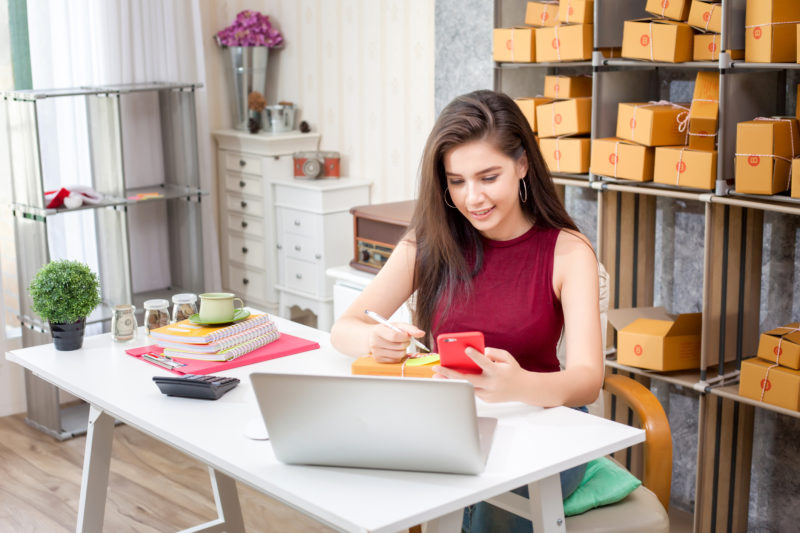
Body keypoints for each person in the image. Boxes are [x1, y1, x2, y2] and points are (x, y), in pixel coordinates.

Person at [330, 89, 603, 531]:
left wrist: (518, 384)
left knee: (475, 501)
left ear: (522, 164)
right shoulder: (430, 241)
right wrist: (373, 339)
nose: (472, 198)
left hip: (541, 431)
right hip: (451, 426)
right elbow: (345, 328)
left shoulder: (568, 253)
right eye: (456, 182)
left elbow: (589, 380)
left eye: (488, 176)